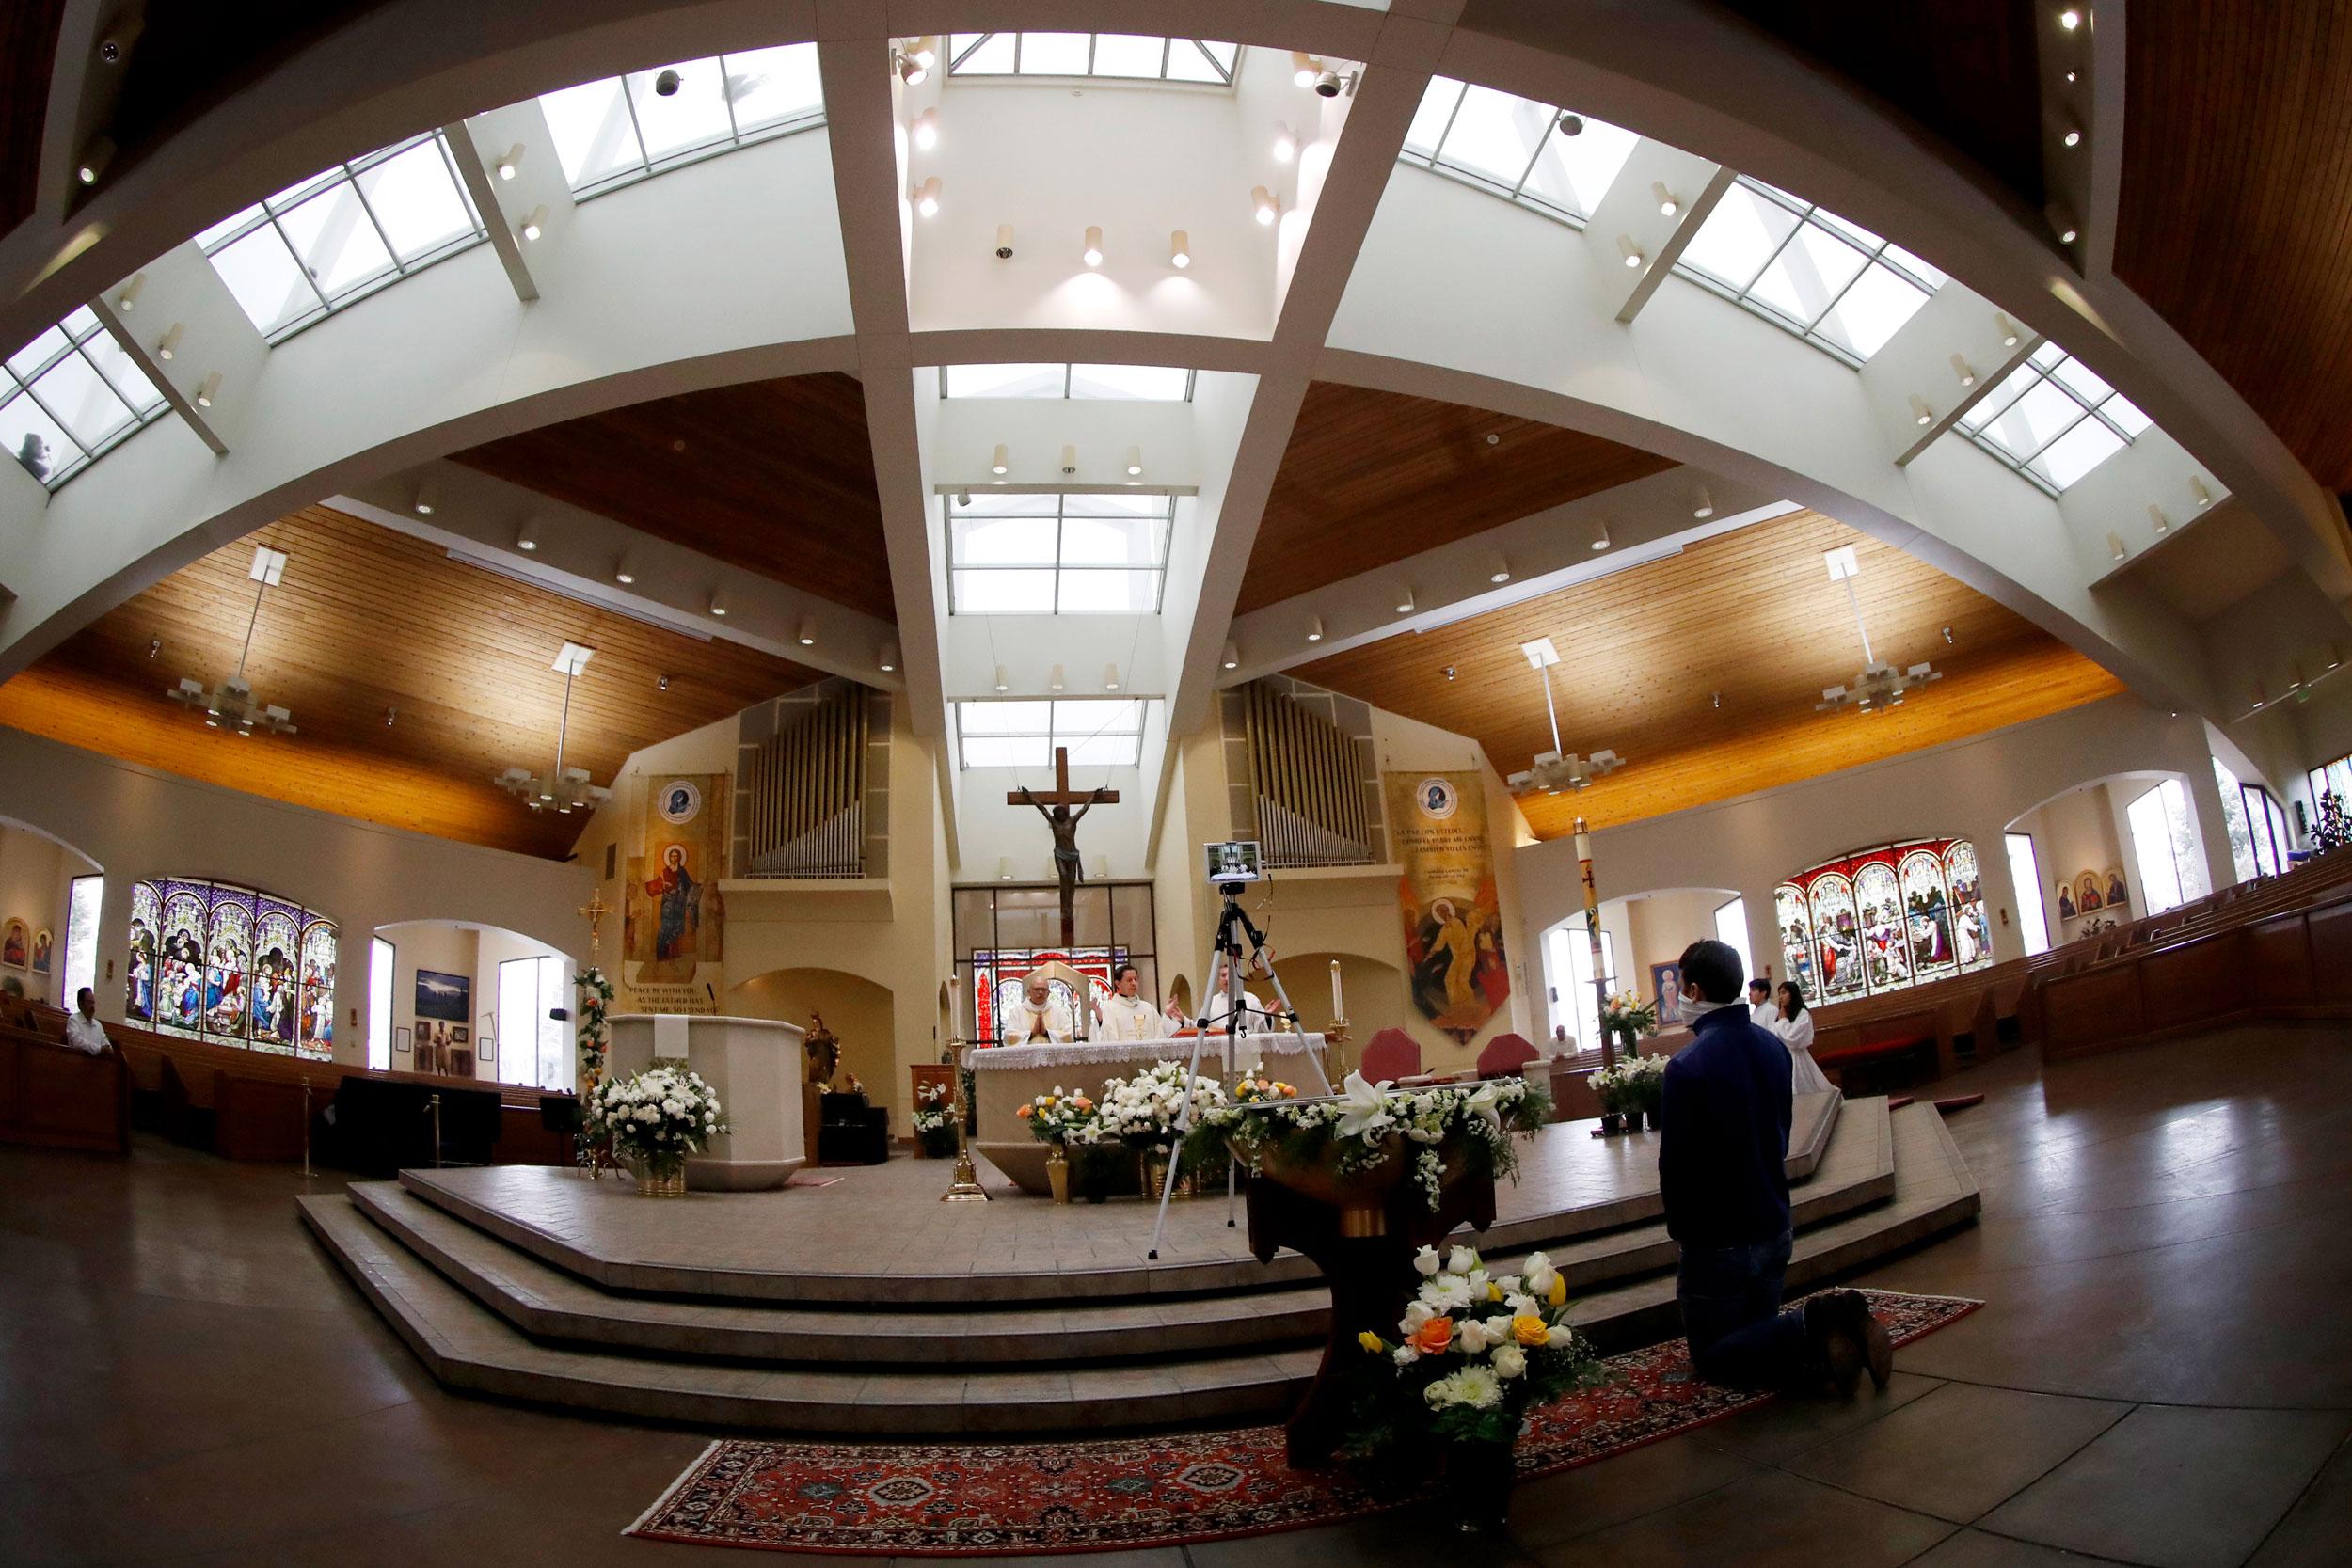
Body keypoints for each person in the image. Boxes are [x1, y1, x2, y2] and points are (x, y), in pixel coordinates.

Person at [1659, 939, 1887, 1394]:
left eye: (1683, 986)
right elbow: (1780, 1134)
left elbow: (1677, 1166)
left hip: (1718, 1238)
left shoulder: (1686, 1067)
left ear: (1696, 990)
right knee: (1759, 1344)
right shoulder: (1772, 1049)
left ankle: (1817, 1318)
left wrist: (1684, 1233)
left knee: (1714, 1357)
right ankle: (1834, 1339)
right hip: (1773, 1219)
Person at [1775, 980, 1833, 1096]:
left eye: (1784, 993)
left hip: (1797, 1056)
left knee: (1802, 1088)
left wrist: (1783, 1021)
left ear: (1793, 994)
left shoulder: (1802, 1014)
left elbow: (1792, 1039)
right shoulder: (1781, 1014)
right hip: (1783, 1057)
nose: (1781, 997)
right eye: (1779, 994)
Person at [1093, 963, 1166, 1042]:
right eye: (1129, 980)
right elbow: (1104, 1039)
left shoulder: (1148, 1008)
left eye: (1135, 979)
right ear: (1117, 983)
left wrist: (1169, 1017)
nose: (1134, 983)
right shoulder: (1109, 1008)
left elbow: (1161, 1034)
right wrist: (1100, 1021)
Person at [1001, 970, 1073, 1045]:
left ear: (1048, 993)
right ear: (1029, 992)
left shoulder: (1059, 1012)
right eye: (1036, 989)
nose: (1040, 992)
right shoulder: (1017, 1012)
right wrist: (1031, 1034)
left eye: (1044, 989)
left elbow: (1069, 1036)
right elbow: (1008, 1037)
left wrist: (1047, 1033)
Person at [64, 988, 111, 1056]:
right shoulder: (73, 1020)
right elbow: (77, 1043)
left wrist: (108, 1049)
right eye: (89, 1002)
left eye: (93, 1002)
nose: (92, 1006)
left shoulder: (98, 1025)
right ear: (81, 1003)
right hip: (78, 1061)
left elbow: (105, 1043)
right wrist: (99, 1049)